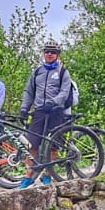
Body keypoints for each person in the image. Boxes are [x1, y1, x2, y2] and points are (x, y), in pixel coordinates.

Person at [20, 40, 79, 186]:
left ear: (58, 55)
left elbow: (64, 92)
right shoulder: (37, 72)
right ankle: (28, 177)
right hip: (39, 111)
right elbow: (29, 92)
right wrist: (24, 108)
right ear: (44, 54)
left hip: (56, 112)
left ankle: (48, 175)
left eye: (53, 52)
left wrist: (53, 102)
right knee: (31, 145)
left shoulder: (63, 72)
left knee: (53, 146)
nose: (49, 54)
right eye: (47, 52)